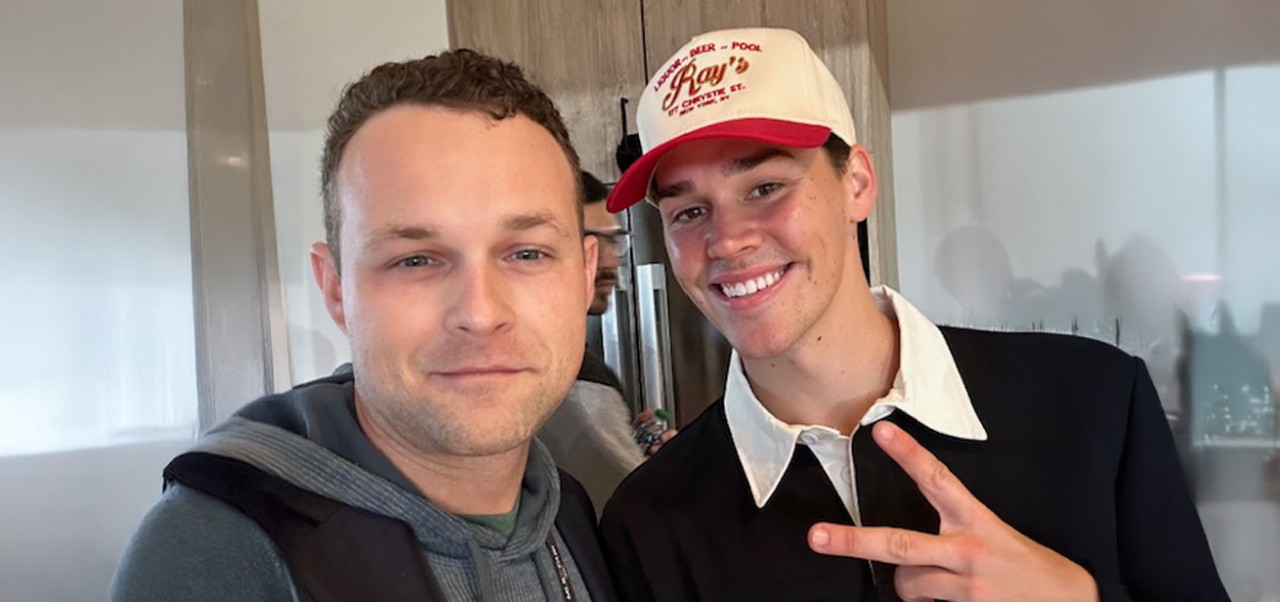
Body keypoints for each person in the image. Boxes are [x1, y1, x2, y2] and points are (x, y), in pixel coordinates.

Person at [598, 27, 1227, 601]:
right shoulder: (651, 521)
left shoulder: (1095, 403)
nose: (727, 241)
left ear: (858, 183)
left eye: (765, 187)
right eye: (688, 212)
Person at [111, 49, 616, 602]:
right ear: (335, 289)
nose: (480, 313)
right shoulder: (217, 554)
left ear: (585, 273)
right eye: (415, 260)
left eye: (526, 254)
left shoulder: (573, 510)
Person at [538, 170, 673, 513]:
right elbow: (640, 512)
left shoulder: (563, 364)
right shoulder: (576, 384)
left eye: (615, 241)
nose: (612, 261)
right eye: (593, 242)